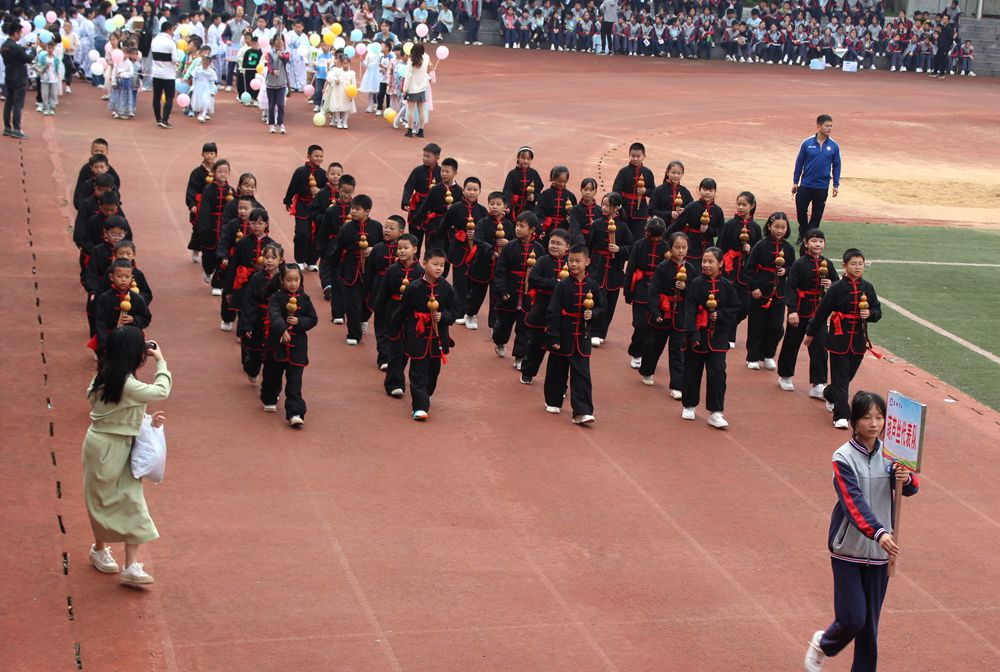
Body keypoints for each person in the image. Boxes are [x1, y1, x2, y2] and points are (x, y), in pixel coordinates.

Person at [804, 391, 919, 672]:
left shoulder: (893, 456)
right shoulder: (842, 458)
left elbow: (910, 488)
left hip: (881, 554)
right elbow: (853, 504)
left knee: (869, 629)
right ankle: (825, 643)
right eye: (867, 417)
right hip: (848, 551)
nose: (874, 423)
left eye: (879, 417)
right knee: (854, 618)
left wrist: (907, 478)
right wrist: (880, 533)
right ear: (855, 421)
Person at [83, 328, 170, 586]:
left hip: (100, 444)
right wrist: (161, 361)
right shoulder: (128, 383)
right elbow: (161, 391)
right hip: (115, 446)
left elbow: (116, 411)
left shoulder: (102, 377)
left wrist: (144, 420)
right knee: (127, 500)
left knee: (105, 500)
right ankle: (119, 560)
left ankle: (115, 557)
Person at [805, 248, 881, 430]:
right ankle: (842, 415)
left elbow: (878, 312)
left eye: (860, 264)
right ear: (844, 266)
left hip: (858, 340)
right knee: (840, 377)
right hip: (839, 338)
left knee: (847, 376)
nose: (857, 267)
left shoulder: (868, 288)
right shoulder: (837, 288)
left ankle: (828, 393)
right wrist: (811, 333)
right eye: (853, 264)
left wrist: (869, 313)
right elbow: (822, 312)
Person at [389, 247, 459, 421]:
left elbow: (456, 310)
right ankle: (419, 407)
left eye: (442, 265)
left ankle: (426, 395)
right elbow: (403, 311)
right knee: (418, 372)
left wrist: (444, 316)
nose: (439, 268)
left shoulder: (447, 288)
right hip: (417, 336)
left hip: (438, 338)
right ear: (424, 263)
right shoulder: (414, 288)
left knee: (433, 372)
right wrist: (394, 329)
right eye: (435, 264)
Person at [543, 243, 604, 424]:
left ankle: (582, 411)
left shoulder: (592, 285)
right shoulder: (562, 286)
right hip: (563, 335)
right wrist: (553, 337)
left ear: (587, 262)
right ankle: (553, 400)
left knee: (582, 374)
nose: (574, 264)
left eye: (578, 261)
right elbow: (553, 311)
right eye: (571, 261)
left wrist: (592, 314)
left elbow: (602, 307)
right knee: (557, 370)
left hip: (582, 337)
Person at [681, 247, 739, 428]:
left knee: (718, 373)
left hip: (718, 337)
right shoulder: (696, 284)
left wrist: (720, 316)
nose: (706, 265)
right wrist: (693, 333)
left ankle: (716, 412)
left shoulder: (727, 285)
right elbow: (689, 310)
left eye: (710, 262)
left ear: (720, 263)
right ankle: (689, 404)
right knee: (692, 370)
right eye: (704, 261)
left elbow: (736, 308)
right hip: (698, 335)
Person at [777, 228, 837, 395]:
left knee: (820, 347)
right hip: (800, 311)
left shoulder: (828, 264)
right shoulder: (799, 263)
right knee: (791, 344)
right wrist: (792, 311)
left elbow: (837, 285)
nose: (817, 244)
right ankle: (785, 375)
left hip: (819, 314)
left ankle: (818, 384)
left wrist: (830, 285)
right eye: (813, 240)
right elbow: (791, 287)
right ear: (806, 243)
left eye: (820, 241)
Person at [262, 263, 318, 428]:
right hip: (277, 346)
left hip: (298, 348)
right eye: (289, 280)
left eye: (296, 280)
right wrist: (283, 329)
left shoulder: (305, 299)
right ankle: (270, 398)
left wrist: (300, 321)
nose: (293, 284)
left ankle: (295, 412)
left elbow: (313, 319)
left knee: (295, 382)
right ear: (282, 280)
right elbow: (274, 316)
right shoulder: (276, 298)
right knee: (272, 375)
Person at [639, 232, 695, 395]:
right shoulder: (663, 267)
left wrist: (686, 290)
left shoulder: (691, 270)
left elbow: (694, 295)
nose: (680, 251)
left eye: (684, 247)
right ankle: (647, 371)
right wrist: (655, 310)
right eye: (677, 247)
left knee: (678, 350)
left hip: (680, 315)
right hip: (663, 313)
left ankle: (677, 385)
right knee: (654, 345)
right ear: (670, 248)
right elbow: (653, 291)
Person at [743, 211, 795, 371]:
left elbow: (793, 268)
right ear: (769, 226)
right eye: (776, 227)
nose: (779, 230)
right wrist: (754, 287)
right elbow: (748, 269)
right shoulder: (760, 245)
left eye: (783, 227)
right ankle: (752, 357)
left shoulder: (789, 248)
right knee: (757, 325)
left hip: (779, 294)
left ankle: (768, 354)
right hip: (760, 292)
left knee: (776, 327)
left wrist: (785, 271)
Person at [792, 114, 841, 243]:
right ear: (819, 126)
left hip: (822, 187)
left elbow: (837, 165)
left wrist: (836, 184)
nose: (829, 128)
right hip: (806, 184)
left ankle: (810, 238)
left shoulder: (834, 146)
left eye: (831, 126)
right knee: (801, 210)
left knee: (817, 215)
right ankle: (803, 231)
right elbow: (799, 162)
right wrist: (795, 181)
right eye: (827, 125)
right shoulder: (807, 143)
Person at [283, 144, 325, 270]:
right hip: (302, 205)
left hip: (317, 208)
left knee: (316, 234)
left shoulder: (323, 174)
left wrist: (320, 191)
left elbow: (327, 190)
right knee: (302, 233)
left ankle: (311, 261)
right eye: (316, 156)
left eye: (321, 156)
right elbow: (292, 187)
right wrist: (287, 200)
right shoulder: (300, 171)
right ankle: (300, 259)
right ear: (308, 156)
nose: (319, 158)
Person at [612, 142, 656, 240]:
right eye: (633, 156)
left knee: (638, 238)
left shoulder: (648, 172)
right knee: (623, 237)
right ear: (629, 155)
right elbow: (616, 190)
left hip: (641, 212)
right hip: (624, 210)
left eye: (638, 156)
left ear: (644, 156)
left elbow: (654, 192)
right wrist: (618, 207)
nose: (635, 159)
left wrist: (645, 191)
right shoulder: (623, 172)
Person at [2, 19, 36, 139]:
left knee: (8, 103)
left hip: (9, 76)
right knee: (18, 104)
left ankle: (7, 127)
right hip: (19, 78)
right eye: (20, 33)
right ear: (15, 33)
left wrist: (23, 48)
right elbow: (28, 59)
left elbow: (17, 54)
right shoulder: (15, 47)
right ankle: (17, 129)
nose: (21, 35)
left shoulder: (4, 45)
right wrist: (33, 51)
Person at [150, 21, 179, 128]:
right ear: (169, 29)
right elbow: (175, 59)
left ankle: (158, 118)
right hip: (168, 75)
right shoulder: (171, 43)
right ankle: (165, 119)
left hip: (156, 73)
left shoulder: (154, 40)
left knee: (156, 97)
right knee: (169, 97)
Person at [264, 34, 290, 134]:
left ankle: (280, 123)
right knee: (271, 105)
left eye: (281, 40)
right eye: (277, 40)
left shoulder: (286, 53)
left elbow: (286, 59)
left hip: (281, 83)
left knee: (280, 104)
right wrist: (273, 71)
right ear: (274, 42)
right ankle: (271, 124)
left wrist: (281, 56)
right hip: (271, 83)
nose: (279, 42)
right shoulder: (269, 53)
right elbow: (269, 64)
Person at [403, 43, 430, 138]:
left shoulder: (411, 61)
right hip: (422, 88)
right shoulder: (426, 58)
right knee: (421, 110)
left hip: (412, 89)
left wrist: (405, 89)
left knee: (410, 110)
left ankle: (410, 130)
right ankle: (421, 130)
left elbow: (408, 77)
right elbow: (425, 54)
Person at [931, 13, 954, 79]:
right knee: (937, 59)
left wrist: (948, 46)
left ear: (948, 20)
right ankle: (935, 72)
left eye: (945, 19)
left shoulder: (949, 28)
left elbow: (950, 39)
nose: (943, 20)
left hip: (945, 47)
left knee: (943, 60)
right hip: (940, 46)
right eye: (943, 18)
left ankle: (942, 73)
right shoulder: (943, 27)